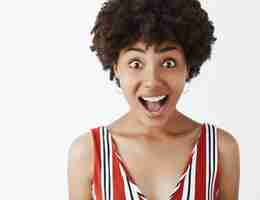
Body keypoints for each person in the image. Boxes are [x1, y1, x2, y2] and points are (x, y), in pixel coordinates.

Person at [67, 0, 240, 199]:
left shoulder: (220, 149)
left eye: (168, 62)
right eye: (135, 63)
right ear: (116, 67)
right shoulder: (87, 153)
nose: (152, 81)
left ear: (188, 66)